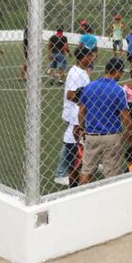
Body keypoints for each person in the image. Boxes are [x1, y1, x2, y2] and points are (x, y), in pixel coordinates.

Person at [75, 58, 131, 184]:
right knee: (111, 173)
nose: (121, 75)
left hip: (92, 134)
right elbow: (125, 116)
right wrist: (129, 131)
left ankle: (81, 192)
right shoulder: (118, 90)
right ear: (117, 71)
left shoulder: (89, 87)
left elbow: (81, 111)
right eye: (121, 72)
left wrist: (82, 127)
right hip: (111, 135)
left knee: (86, 170)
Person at [54, 46, 93, 186]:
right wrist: (85, 102)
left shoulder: (81, 71)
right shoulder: (77, 74)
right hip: (74, 113)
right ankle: (60, 173)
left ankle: (87, 163)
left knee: (78, 141)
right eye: (90, 56)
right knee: (70, 143)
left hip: (78, 112)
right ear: (83, 57)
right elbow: (70, 95)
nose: (92, 58)